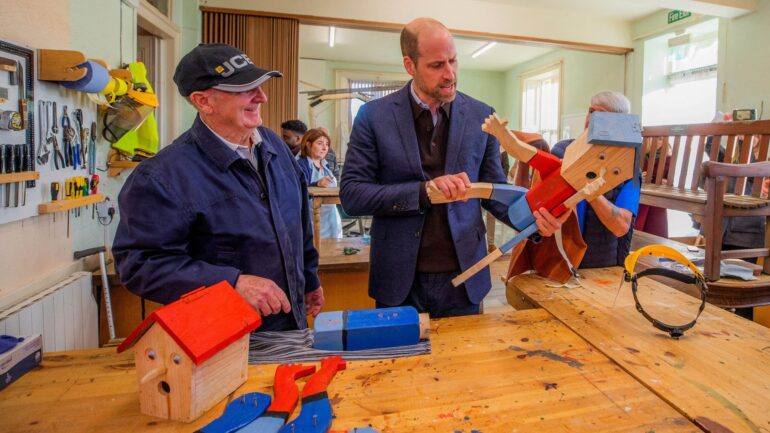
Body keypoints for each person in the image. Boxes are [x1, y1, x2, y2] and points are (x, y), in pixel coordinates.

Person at [113, 43, 324, 331]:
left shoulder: (274, 145)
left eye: (260, 86)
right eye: (244, 89)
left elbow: (298, 220)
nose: (261, 97)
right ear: (203, 101)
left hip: (289, 325)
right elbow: (141, 266)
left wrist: (309, 278)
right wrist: (232, 282)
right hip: (221, 338)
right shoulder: (162, 177)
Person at [340, 18, 511, 318]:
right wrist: (423, 192)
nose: (450, 74)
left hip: (465, 277)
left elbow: (496, 192)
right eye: (436, 65)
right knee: (399, 364)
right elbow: (353, 195)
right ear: (410, 65)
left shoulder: (482, 116)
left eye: (454, 61)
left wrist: (537, 217)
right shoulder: (372, 117)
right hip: (398, 280)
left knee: (464, 364)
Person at [536, 91, 640, 268]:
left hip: (603, 266)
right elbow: (543, 209)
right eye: (591, 112)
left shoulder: (628, 168)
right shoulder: (562, 152)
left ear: (619, 124)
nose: (592, 120)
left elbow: (621, 226)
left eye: (601, 116)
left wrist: (588, 186)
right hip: (559, 262)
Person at [297, 128, 343, 238]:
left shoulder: (325, 165)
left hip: (331, 217)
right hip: (313, 218)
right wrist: (316, 184)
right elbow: (298, 189)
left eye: (327, 144)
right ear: (308, 144)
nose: (325, 147)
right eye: (320, 143)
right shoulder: (302, 165)